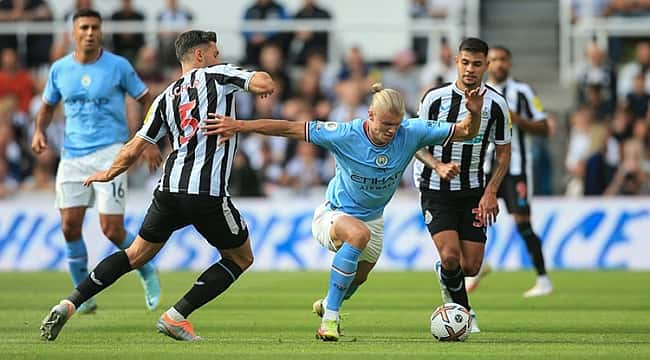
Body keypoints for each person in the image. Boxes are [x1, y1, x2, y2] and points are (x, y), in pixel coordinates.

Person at [39, 29, 275, 342]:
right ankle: (176, 316)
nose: (218, 58)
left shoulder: (165, 97)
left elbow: (136, 145)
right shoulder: (217, 74)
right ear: (200, 56)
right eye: (214, 53)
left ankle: (69, 303)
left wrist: (109, 173)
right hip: (206, 192)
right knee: (240, 258)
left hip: (168, 190)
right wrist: (255, 86)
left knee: (135, 253)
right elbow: (265, 83)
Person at [202, 82, 485, 341]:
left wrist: (474, 113)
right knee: (357, 235)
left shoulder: (411, 131)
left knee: (357, 278)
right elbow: (288, 128)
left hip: (373, 220)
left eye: (396, 126)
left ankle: (328, 302)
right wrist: (239, 124)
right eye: (385, 124)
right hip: (333, 215)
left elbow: (465, 131)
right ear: (370, 115)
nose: (391, 131)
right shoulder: (344, 134)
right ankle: (330, 320)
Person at [31, 9, 162, 314]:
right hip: (73, 155)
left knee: (111, 229)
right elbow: (48, 105)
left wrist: (149, 141)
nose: (90, 32)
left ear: (101, 31)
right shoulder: (60, 69)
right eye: (84, 27)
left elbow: (147, 100)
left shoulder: (118, 66)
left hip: (110, 153)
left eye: (95, 27)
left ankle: (146, 268)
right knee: (69, 226)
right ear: (73, 33)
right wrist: (39, 130)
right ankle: (84, 296)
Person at [413, 37, 512, 333]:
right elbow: (415, 143)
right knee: (451, 256)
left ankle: (446, 276)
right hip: (435, 189)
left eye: (477, 64)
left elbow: (504, 152)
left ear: (486, 65)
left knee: (471, 267)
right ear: (456, 61)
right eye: (465, 62)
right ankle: (463, 313)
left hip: (473, 191)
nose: (470, 69)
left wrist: (491, 191)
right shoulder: (434, 98)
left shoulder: (497, 104)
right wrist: (438, 166)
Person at [470, 45, 554, 297]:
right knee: (474, 219)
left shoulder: (522, 91)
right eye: (493, 60)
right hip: (484, 166)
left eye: (503, 59)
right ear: (486, 64)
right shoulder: (478, 94)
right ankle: (477, 266)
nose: (498, 64)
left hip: (516, 167)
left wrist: (518, 120)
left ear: (510, 62)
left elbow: (544, 128)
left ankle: (543, 279)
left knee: (522, 223)